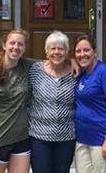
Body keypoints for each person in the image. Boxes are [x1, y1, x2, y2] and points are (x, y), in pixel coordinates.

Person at [0, 29, 34, 173]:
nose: (16, 47)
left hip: (22, 138)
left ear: (24, 48)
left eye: (20, 44)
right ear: (4, 45)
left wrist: (72, 63)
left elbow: (52, 64)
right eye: (12, 43)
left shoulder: (27, 66)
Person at [73, 34, 106, 173]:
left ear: (94, 52)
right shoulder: (82, 74)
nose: (82, 54)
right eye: (78, 51)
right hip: (83, 138)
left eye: (86, 50)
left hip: (102, 140)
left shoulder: (105, 73)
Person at [28, 30, 78, 173]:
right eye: (53, 48)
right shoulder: (35, 70)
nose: (57, 52)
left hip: (66, 136)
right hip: (39, 136)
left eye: (61, 48)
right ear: (46, 51)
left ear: (67, 51)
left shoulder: (75, 73)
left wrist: (74, 61)